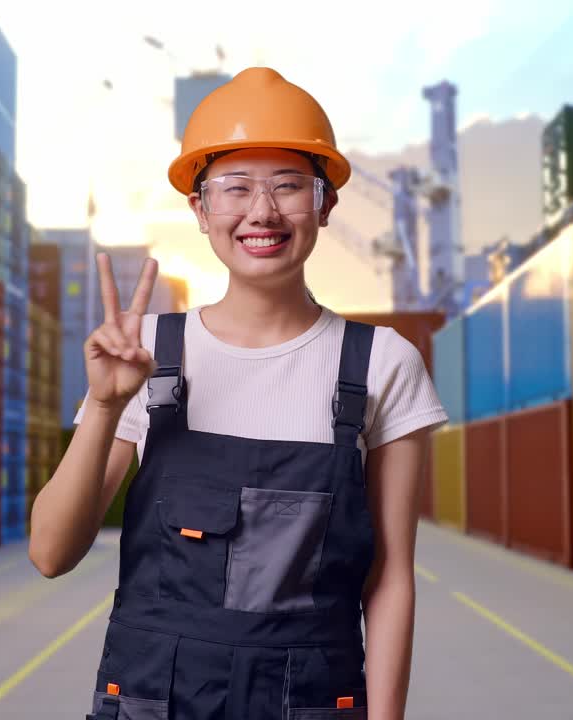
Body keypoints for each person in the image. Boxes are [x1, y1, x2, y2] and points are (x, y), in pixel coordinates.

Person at [28, 67, 449, 720]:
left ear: (326, 205)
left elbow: (390, 577)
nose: (262, 212)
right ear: (200, 210)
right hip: (152, 701)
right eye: (236, 188)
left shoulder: (381, 365)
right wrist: (108, 404)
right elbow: (50, 553)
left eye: (288, 187)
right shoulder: (143, 355)